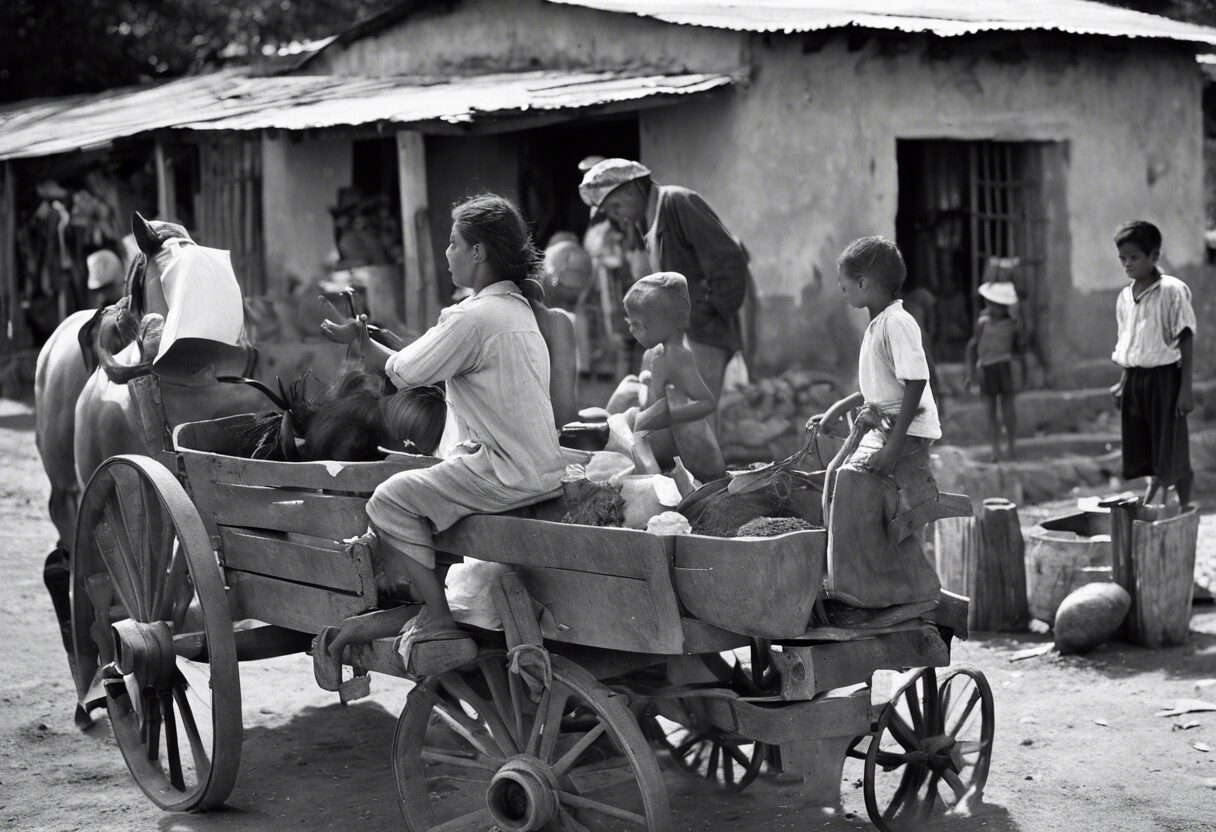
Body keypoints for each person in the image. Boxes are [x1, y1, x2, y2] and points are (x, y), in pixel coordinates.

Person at [313, 194, 567, 680]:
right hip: (539, 466)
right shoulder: (512, 308)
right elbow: (424, 361)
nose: (447, 253)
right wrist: (368, 337)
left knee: (388, 499)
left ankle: (440, 618)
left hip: (506, 471)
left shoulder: (471, 317)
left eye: (453, 244)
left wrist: (359, 343)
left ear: (478, 253)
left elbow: (404, 374)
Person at [814, 236, 943, 609]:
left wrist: (893, 446)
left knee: (853, 483)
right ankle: (848, 578)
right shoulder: (877, 325)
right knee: (834, 475)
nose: (843, 294)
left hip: (907, 433)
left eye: (844, 286)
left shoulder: (897, 323)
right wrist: (840, 406)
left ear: (863, 282)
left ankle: (879, 585)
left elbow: (916, 381)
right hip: (885, 425)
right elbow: (881, 390)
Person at [578, 158, 749, 403]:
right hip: (682, 337)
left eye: (616, 207)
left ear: (632, 190)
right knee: (683, 420)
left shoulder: (677, 202)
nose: (616, 217)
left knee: (696, 422)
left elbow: (729, 262)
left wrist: (707, 316)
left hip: (704, 334)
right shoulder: (644, 224)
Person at [1110, 220, 1195, 507]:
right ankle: (1150, 499)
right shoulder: (1125, 297)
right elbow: (1129, 342)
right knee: (1146, 448)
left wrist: (1185, 389)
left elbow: (1185, 338)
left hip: (1165, 379)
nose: (1128, 264)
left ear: (1154, 256)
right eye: (1123, 259)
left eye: (1134, 257)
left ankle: (1184, 506)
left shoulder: (1172, 291)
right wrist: (1123, 383)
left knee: (1172, 447)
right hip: (1136, 380)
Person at [624, 272, 727, 482]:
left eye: (641, 325)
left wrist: (653, 416)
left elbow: (704, 402)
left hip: (697, 468)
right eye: (631, 323)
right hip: (665, 463)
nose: (632, 330)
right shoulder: (652, 355)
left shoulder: (680, 357)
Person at [964, 276, 1022, 461]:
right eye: (990, 303)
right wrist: (970, 373)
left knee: (1008, 411)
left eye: (997, 304)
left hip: (1004, 367)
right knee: (990, 412)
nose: (992, 307)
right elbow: (973, 347)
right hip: (986, 369)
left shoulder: (1013, 324)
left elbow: (1021, 344)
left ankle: (1011, 447)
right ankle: (995, 450)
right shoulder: (983, 323)